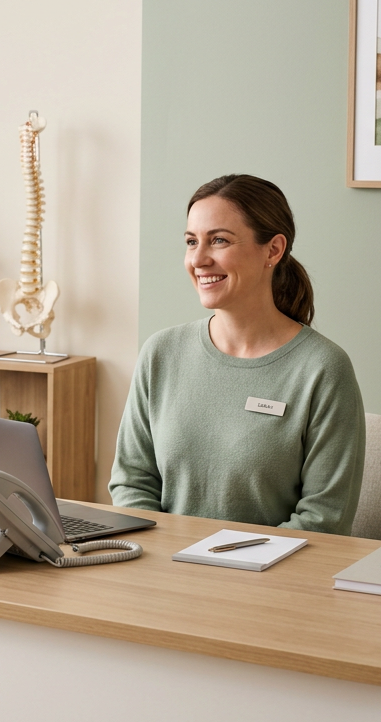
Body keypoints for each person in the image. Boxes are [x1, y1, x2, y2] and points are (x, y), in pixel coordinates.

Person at [109, 174, 366, 534]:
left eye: (218, 241)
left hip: (271, 580)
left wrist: (226, 565)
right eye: (190, 241)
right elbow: (131, 483)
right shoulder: (160, 353)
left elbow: (325, 517)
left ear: (273, 250)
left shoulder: (322, 368)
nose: (198, 259)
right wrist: (165, 556)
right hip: (166, 573)